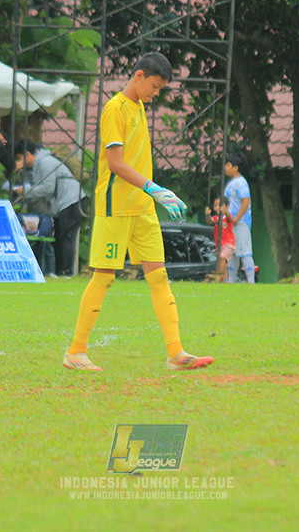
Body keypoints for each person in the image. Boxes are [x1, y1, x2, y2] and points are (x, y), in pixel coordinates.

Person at [62, 52, 214, 372]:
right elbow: (116, 164)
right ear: (139, 75)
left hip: (143, 209)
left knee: (159, 276)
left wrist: (153, 194)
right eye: (155, 87)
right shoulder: (114, 108)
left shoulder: (139, 107)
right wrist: (154, 188)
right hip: (116, 208)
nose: (156, 94)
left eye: (160, 89)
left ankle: (176, 353)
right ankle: (75, 352)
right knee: (104, 277)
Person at [15, 141, 87, 277]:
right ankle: (60, 271)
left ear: (27, 154)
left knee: (66, 237)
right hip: (66, 202)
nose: (19, 163)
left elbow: (48, 188)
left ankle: (66, 272)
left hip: (72, 201)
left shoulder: (45, 162)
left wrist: (25, 192)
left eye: (19, 159)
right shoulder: (41, 163)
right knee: (59, 237)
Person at [223, 154, 255, 284]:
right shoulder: (232, 183)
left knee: (245, 252)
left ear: (235, 167)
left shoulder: (241, 183)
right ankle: (231, 281)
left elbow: (246, 201)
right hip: (231, 223)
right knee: (233, 253)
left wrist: (236, 219)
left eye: (228, 165)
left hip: (240, 223)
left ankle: (251, 282)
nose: (225, 168)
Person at [204, 197, 235, 282]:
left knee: (222, 257)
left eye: (220, 205)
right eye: (215, 206)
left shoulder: (227, 217)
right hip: (220, 245)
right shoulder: (216, 218)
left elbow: (230, 218)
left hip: (229, 244)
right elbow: (210, 221)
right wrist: (207, 215)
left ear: (227, 207)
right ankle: (225, 279)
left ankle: (218, 274)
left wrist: (226, 211)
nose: (217, 207)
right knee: (224, 263)